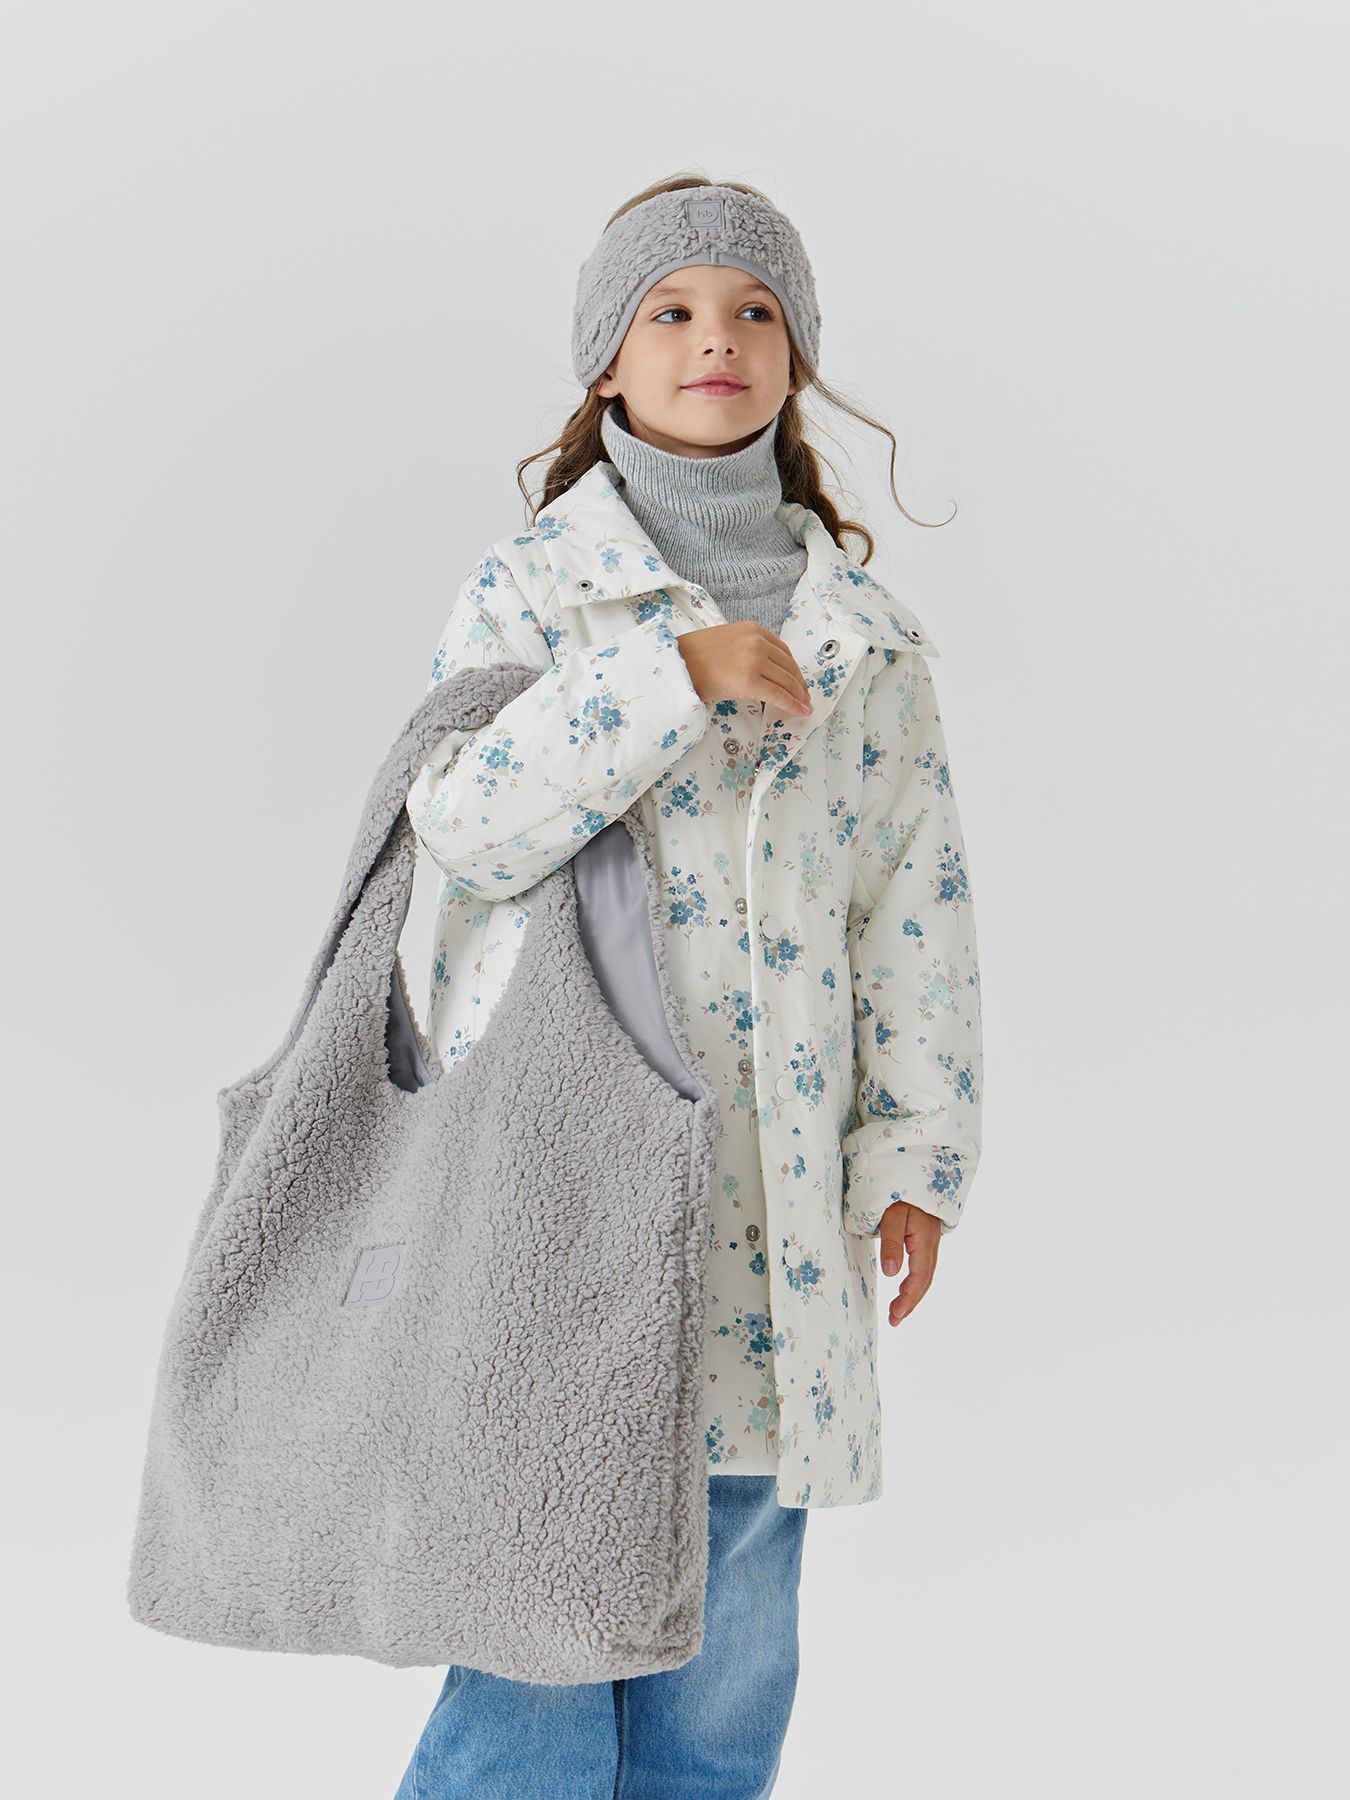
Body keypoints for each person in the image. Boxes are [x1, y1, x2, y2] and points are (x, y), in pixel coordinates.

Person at [394, 172, 985, 1799]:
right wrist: (667, 679)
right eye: (668, 309)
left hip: (770, 1212)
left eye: (751, 309)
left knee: (725, 1674)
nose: (712, 336)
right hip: (561, 1195)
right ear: (606, 360)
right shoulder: (531, 589)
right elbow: (461, 819)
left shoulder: (868, 637)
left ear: (794, 357)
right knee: (531, 1640)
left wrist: (912, 1156)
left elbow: (911, 908)